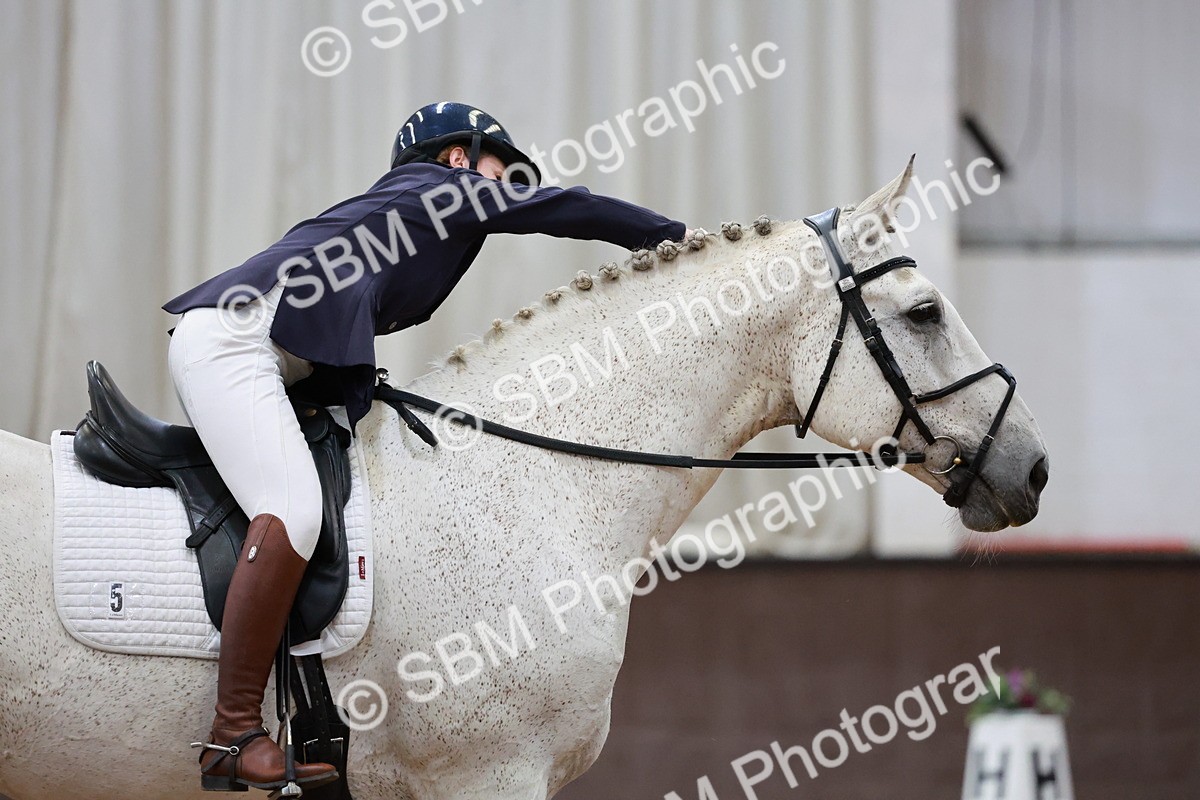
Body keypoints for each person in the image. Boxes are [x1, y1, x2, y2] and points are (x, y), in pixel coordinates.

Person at [163, 101, 688, 792]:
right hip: (236, 344)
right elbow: (568, 207)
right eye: (502, 170)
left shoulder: (408, 215)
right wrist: (671, 236)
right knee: (293, 509)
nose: (508, 185)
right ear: (460, 159)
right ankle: (232, 732)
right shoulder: (442, 192)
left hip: (260, 350)